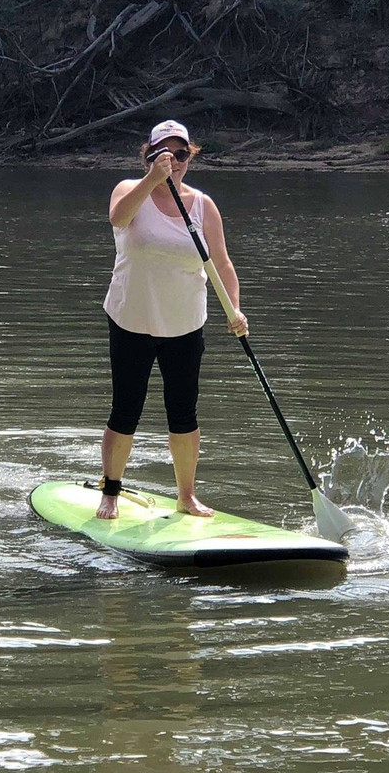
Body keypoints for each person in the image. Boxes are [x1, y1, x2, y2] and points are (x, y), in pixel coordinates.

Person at [97, 120, 248, 520]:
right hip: (132, 320)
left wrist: (234, 309)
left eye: (181, 154)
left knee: (184, 413)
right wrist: (152, 179)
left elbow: (222, 263)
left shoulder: (203, 206)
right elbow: (118, 218)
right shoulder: (129, 190)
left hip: (184, 324)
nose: (174, 161)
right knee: (125, 410)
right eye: (164, 154)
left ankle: (186, 496)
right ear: (149, 156)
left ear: (190, 157)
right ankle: (110, 493)